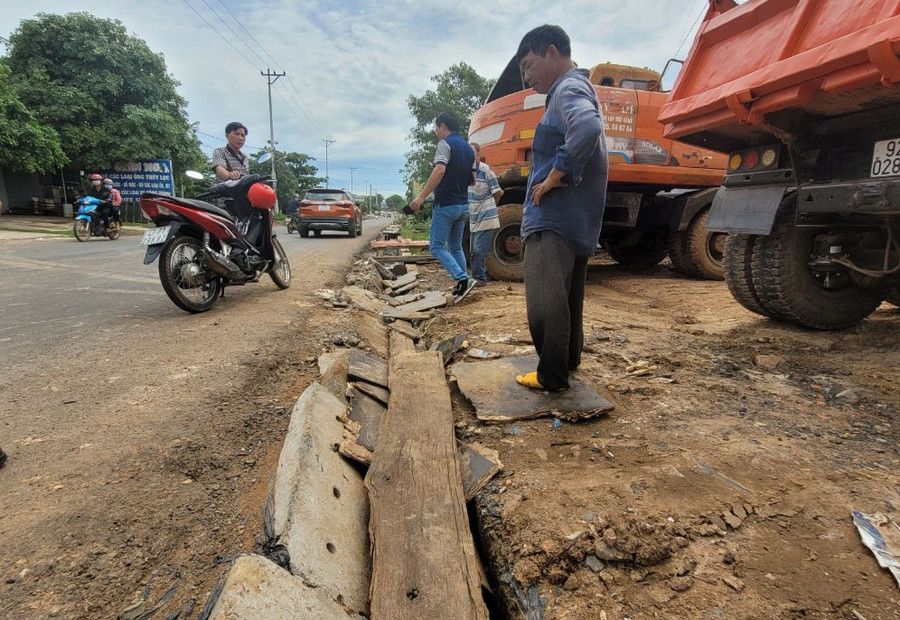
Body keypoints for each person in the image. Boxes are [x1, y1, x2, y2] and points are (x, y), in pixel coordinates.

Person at [513, 25, 608, 392]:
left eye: (528, 65)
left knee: (544, 303)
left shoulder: (566, 89)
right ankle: (566, 365)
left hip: (553, 217)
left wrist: (554, 175)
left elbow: (585, 127)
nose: (526, 77)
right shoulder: (579, 88)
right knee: (568, 298)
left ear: (551, 52)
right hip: (576, 218)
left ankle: (551, 376)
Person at [410, 111, 477, 303]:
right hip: (463, 205)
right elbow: (473, 179)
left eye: (436, 128)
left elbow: (439, 170)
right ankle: (463, 284)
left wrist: (421, 197)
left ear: (442, 127)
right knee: (456, 247)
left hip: (446, 205)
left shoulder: (444, 144)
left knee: (437, 247)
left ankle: (462, 279)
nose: (436, 132)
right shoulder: (468, 148)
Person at [467, 142, 503, 286]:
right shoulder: (465, 172)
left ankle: (480, 278)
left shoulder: (486, 170)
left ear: (479, 154)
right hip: (473, 217)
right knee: (472, 250)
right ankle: (476, 276)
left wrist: (490, 207)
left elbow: (497, 192)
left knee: (479, 249)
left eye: (473, 153)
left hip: (486, 216)